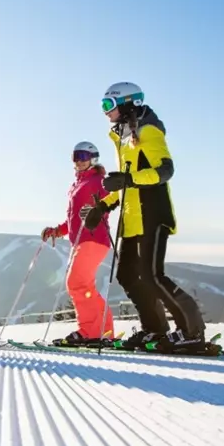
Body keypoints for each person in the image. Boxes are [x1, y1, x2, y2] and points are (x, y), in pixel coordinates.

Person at [82, 81, 210, 352]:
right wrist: (102, 207)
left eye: (109, 105)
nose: (105, 111)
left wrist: (127, 179)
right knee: (127, 275)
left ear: (128, 103)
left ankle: (192, 330)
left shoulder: (148, 131)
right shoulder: (124, 137)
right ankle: (154, 329)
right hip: (132, 219)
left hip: (152, 213)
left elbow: (165, 171)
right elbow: (124, 185)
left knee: (152, 275)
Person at [41, 141, 115, 345]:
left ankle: (90, 331)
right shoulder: (78, 184)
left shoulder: (99, 180)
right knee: (83, 285)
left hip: (93, 238)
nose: (79, 161)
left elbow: (110, 201)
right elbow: (74, 219)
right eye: (76, 156)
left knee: (76, 283)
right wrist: (58, 231)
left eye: (83, 156)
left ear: (94, 158)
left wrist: (99, 211)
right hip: (80, 240)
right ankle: (102, 330)